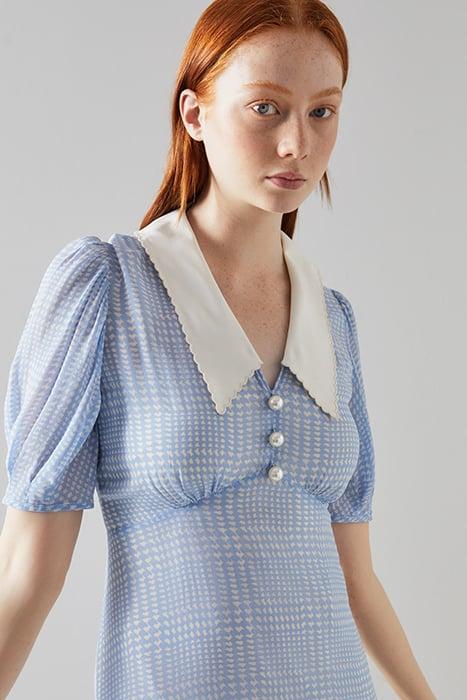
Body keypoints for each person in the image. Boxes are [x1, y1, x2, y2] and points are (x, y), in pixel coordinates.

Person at [0, 1, 437, 698]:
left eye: (322, 112)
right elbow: (28, 575)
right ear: (194, 114)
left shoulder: (332, 319)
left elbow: (357, 578)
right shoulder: (108, 289)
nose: (297, 143)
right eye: (266, 108)